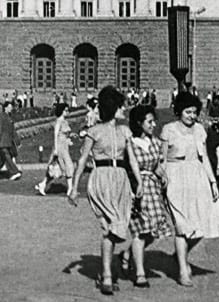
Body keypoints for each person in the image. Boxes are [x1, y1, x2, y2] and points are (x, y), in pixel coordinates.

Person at [160, 92, 219, 287]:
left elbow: (205, 159)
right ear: (178, 111)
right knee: (181, 226)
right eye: (187, 112)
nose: (191, 116)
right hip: (175, 179)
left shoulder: (200, 130)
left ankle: (179, 255)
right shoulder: (168, 130)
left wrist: (212, 182)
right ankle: (183, 270)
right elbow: (162, 159)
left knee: (200, 226)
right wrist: (163, 180)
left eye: (194, 112)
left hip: (197, 178)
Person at [68, 86, 133, 295]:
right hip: (102, 180)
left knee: (117, 228)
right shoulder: (94, 131)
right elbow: (82, 160)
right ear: (114, 107)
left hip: (121, 180)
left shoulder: (125, 131)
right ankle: (106, 275)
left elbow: (131, 159)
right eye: (121, 106)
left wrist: (139, 182)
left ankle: (108, 268)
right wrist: (73, 188)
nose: (124, 109)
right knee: (107, 227)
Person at [125, 104, 173, 288]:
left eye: (154, 121)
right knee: (140, 231)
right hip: (137, 190)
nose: (153, 125)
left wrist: (163, 175)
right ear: (139, 123)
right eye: (149, 121)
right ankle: (140, 273)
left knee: (153, 231)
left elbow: (156, 164)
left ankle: (128, 255)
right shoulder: (130, 142)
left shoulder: (154, 141)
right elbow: (130, 166)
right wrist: (135, 187)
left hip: (153, 189)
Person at [36, 102, 74, 195]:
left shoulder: (65, 121)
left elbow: (66, 133)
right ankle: (70, 188)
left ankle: (43, 184)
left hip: (65, 145)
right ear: (61, 111)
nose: (67, 112)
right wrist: (56, 149)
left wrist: (70, 138)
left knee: (58, 168)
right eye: (65, 110)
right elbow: (55, 135)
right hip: (59, 146)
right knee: (67, 165)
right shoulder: (58, 121)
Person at [0, 101, 22, 180]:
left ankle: (14, 171)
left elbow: (12, 131)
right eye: (9, 107)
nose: (11, 109)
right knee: (2, 156)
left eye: (11, 107)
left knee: (4, 156)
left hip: (4, 142)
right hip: (2, 142)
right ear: (5, 108)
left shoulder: (7, 117)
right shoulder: (2, 117)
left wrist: (17, 141)